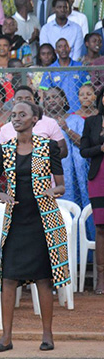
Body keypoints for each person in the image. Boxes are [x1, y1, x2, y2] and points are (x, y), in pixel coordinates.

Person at [0, 100, 67, 352]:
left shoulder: (48, 146)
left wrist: (52, 191)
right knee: (8, 278)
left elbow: (62, 186)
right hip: (15, 221)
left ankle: (47, 335)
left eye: (22, 114)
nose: (16, 118)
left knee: (43, 279)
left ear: (35, 119)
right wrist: (2, 196)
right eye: (13, 115)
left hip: (42, 221)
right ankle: (6, 337)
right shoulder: (4, 149)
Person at [81, 87, 104, 293]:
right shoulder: (91, 122)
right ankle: (101, 278)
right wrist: (101, 149)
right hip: (99, 178)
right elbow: (84, 151)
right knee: (101, 227)